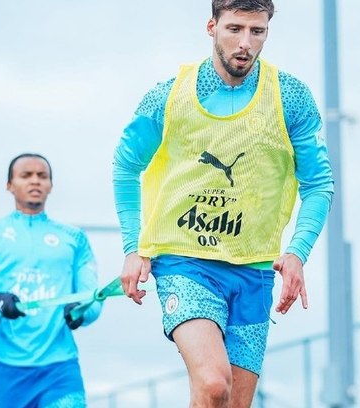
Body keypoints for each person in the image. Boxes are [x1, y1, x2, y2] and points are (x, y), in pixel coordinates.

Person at [113, 0, 334, 406]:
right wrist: (133, 246)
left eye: (257, 31)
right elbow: (126, 167)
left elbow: (319, 184)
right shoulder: (168, 96)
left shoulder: (291, 98)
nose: (245, 43)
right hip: (185, 262)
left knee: (232, 402)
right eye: (234, 29)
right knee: (214, 382)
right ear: (211, 26)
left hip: (254, 270)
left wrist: (298, 252)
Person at [0, 153, 102, 408]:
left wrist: (82, 311)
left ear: (50, 185)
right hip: (1, 367)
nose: (35, 181)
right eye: (26, 175)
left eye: (42, 176)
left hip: (59, 368)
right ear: (9, 185)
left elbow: (91, 297)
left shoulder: (74, 238)